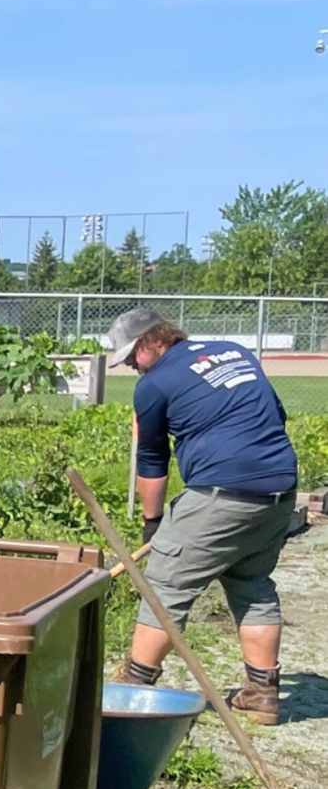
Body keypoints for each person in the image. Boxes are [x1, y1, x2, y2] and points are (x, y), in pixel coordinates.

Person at [105, 307, 299, 725]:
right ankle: (262, 693)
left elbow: (153, 459)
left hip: (221, 492)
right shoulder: (233, 351)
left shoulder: (154, 385)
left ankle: (133, 687)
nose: (132, 369)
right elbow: (276, 416)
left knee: (165, 586)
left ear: (151, 342)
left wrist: (153, 523)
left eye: (131, 358)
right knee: (252, 583)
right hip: (279, 488)